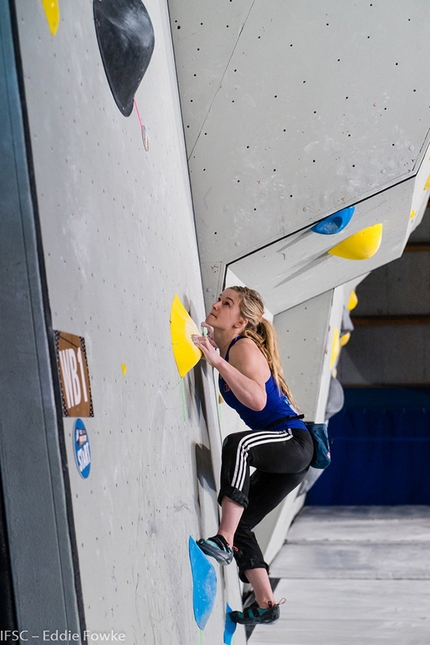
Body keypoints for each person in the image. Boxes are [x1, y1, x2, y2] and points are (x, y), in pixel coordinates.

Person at [192, 286, 314, 626]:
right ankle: (265, 602)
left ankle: (223, 540)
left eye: (226, 303)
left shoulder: (243, 346)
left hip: (291, 441)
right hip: (290, 457)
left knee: (238, 444)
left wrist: (216, 360)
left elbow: (258, 401)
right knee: (243, 521)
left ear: (242, 322)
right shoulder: (232, 348)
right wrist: (218, 354)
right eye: (219, 299)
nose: (216, 304)